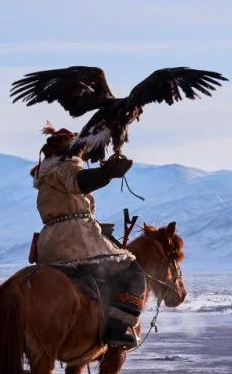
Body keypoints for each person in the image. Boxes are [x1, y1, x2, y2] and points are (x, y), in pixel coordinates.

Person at [31, 125, 146, 349]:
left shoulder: (45, 175)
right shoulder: (66, 166)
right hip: (76, 240)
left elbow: (65, 206)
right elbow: (79, 182)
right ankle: (116, 329)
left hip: (50, 242)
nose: (84, 151)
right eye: (81, 148)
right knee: (133, 271)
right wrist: (107, 173)